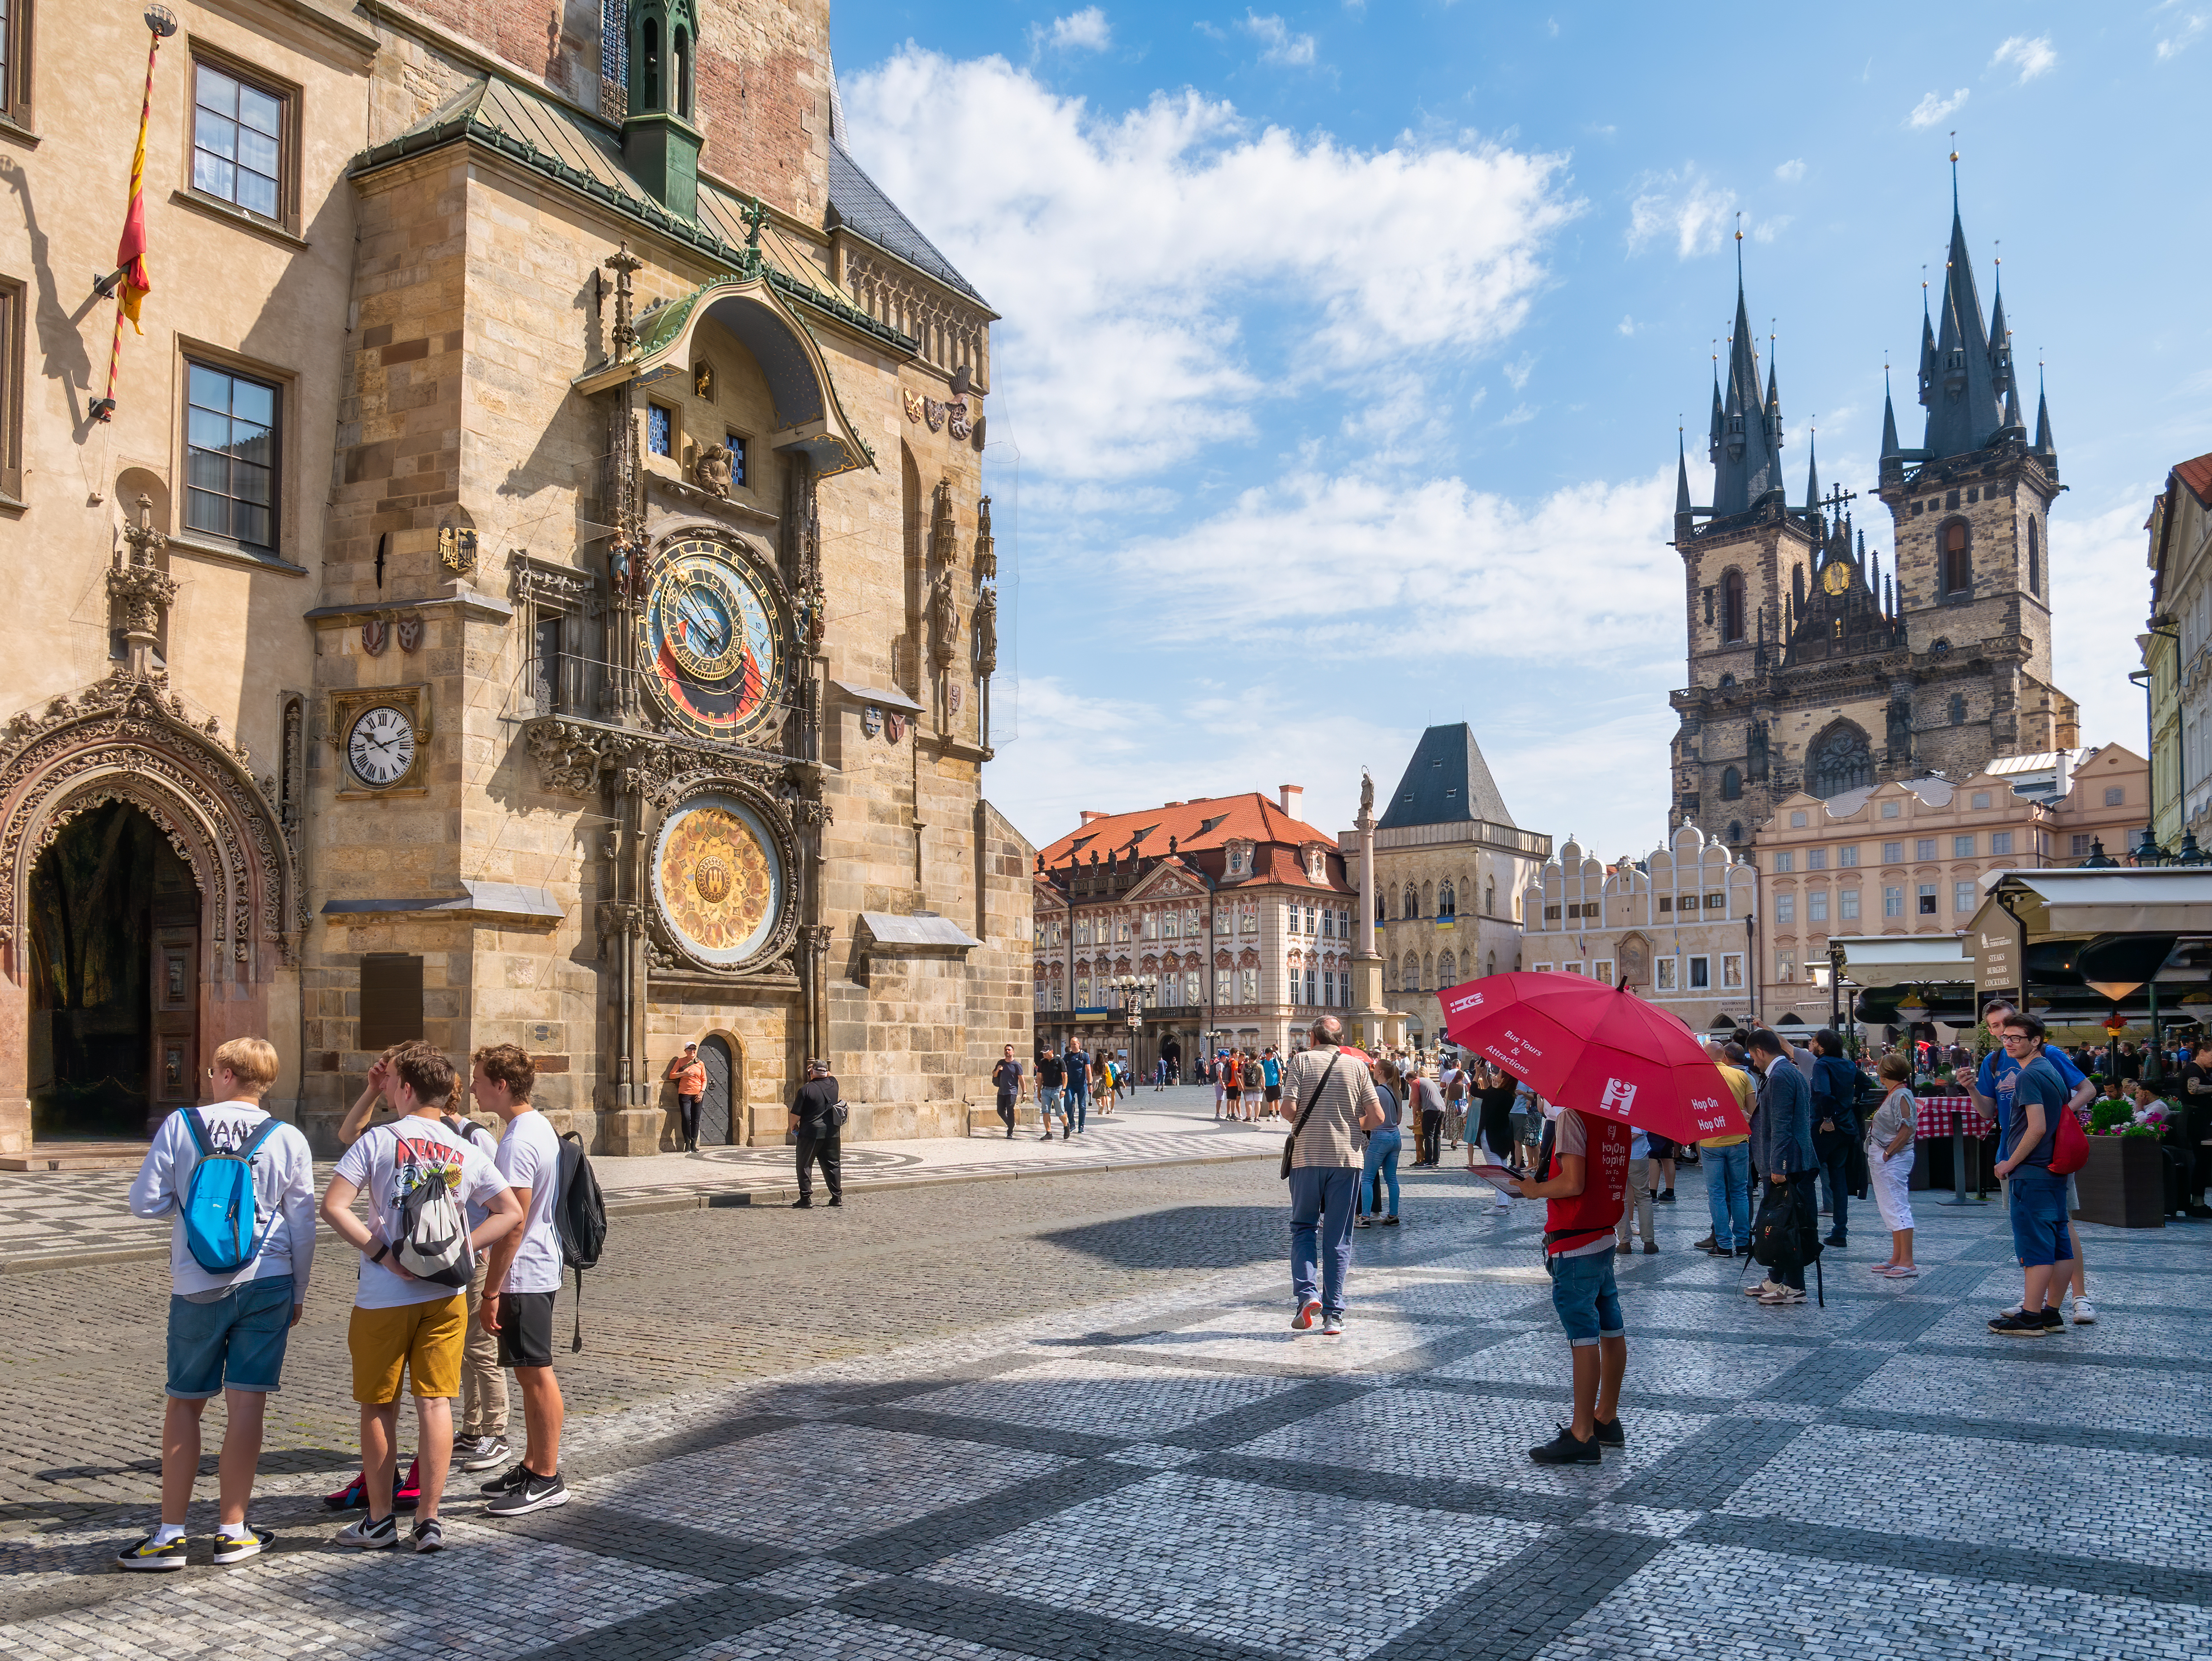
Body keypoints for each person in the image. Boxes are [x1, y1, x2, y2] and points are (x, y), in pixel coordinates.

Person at [117, 1038, 317, 1571]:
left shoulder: (182, 1125)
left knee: (185, 1402)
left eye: (212, 1071)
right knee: (246, 1404)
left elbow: (143, 1203)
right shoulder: (287, 1137)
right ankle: (233, 1530)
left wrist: (186, 1205)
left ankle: (170, 1534)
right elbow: (302, 1222)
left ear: (225, 1073)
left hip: (196, 1280)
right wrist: (298, 1291)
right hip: (269, 1279)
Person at [320, 1044, 523, 1553]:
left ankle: (380, 1519)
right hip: (446, 1293)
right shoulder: (465, 1147)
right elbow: (508, 1213)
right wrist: (462, 1248)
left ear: (407, 1089)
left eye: (392, 1084)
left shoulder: (380, 1142)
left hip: (384, 1293)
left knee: (378, 1405)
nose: (387, 1091)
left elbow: (333, 1206)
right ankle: (429, 1520)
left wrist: (382, 1251)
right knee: (436, 1403)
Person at [1501, 1074, 1632, 1464]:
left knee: (1583, 1335)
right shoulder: (1616, 1118)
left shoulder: (1575, 1116)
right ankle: (1606, 1417)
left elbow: (1574, 1183)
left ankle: (1581, 1433)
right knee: (1612, 1326)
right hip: (1604, 1233)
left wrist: (1534, 1189)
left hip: (1575, 1240)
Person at [472, 1044, 569, 1515]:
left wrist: (491, 1289)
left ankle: (547, 1476)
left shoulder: (515, 1140)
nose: (472, 1086)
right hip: (535, 1265)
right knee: (528, 1373)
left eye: (478, 1078)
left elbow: (513, 1223)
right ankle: (532, 1464)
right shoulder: (535, 1126)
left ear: (501, 1085)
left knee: (536, 1375)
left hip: (525, 1270)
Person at [1973, 998, 2097, 1323]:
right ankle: (2046, 1308)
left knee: (2042, 1235)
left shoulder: (2042, 1064)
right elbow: (1989, 1112)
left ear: (2033, 1036)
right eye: (2000, 1031)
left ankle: (2050, 1306)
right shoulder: (1997, 1062)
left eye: (2013, 1031)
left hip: (2032, 1161)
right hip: (2030, 1159)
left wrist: (2056, 1124)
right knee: (2054, 1235)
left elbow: (2051, 1116)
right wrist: (1972, 1088)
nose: (2007, 1037)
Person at [1284, 1015, 1385, 1336]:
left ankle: (1307, 1295)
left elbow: (1287, 1110)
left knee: (1303, 1228)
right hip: (1347, 1160)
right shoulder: (1357, 1067)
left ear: (1313, 1038)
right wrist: (1353, 1126)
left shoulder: (1300, 1062)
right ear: (1342, 1040)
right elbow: (1377, 1117)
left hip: (1307, 1157)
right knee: (1339, 1236)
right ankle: (1334, 1316)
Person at [1988, 1014, 2075, 1335]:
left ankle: (2030, 1317)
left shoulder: (2028, 1077)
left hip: (2032, 1172)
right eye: (2005, 1038)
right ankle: (2051, 1314)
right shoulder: (2052, 1072)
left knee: (2036, 1246)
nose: (2008, 1043)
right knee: (2059, 1245)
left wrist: (2010, 1163)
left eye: (2016, 1038)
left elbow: (2036, 1127)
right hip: (2054, 1170)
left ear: (2036, 1040)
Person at [1743, 1028, 1817, 1306]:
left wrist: (1779, 1166)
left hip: (1790, 1163)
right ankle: (1777, 1278)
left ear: (1760, 1051)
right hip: (1790, 1160)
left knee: (1789, 1225)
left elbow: (1782, 1126)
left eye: (1753, 1055)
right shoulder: (1786, 1071)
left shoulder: (1781, 1076)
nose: (1753, 1061)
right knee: (1779, 1222)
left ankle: (1795, 1286)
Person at [1697, 1041, 1756, 1259]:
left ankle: (1723, 1245)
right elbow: (1753, 1111)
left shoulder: (1697, 1078)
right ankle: (1743, 1244)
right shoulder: (1741, 1077)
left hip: (1711, 1143)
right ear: (1724, 1056)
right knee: (1740, 1192)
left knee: (1717, 1195)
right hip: (1739, 1141)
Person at [1866, 1051, 1919, 1279]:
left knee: (1897, 1206)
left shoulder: (1901, 1095)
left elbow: (1907, 1128)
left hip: (1893, 1159)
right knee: (1890, 1207)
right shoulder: (1897, 1093)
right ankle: (1897, 1257)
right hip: (1886, 1158)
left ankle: (1907, 1261)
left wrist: (1888, 1153)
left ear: (1886, 1073)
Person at [1808, 1029, 1858, 1248]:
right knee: (1839, 1181)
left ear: (1822, 1047)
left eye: (1814, 1041)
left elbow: (1824, 1094)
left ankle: (1806, 1228)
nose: (1811, 1044)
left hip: (1825, 1127)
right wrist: (1849, 1104)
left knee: (1807, 1177)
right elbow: (1865, 1084)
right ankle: (1840, 1231)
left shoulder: (1822, 1065)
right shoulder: (1848, 1064)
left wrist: (1828, 1118)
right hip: (1847, 1127)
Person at [1356, 1057, 1404, 1229]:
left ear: (1380, 1072)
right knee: (1392, 1179)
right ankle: (1393, 1215)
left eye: (1375, 1067)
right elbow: (1398, 1120)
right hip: (1395, 1138)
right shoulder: (1396, 1091)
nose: (1373, 1069)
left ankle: (1365, 1217)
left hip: (1380, 1138)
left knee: (1367, 1179)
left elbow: (1367, 1114)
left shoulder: (1377, 1091)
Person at [789, 1059, 843, 1206]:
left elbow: (795, 1115)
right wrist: (818, 1070)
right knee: (833, 1163)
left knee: (805, 1164)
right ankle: (836, 1197)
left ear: (812, 1072)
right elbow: (829, 1074)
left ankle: (806, 1199)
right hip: (832, 1132)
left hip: (811, 1133)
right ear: (826, 1072)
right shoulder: (834, 1084)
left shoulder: (806, 1090)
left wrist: (792, 1126)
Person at [2182, 1038, 2212, 1219]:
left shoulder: (2203, 1070)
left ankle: (2199, 1201)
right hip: (2195, 1120)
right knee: (2201, 1159)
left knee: (2204, 1160)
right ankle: (2197, 1203)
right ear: (2202, 1053)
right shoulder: (2193, 1069)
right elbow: (2193, 1089)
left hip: (2201, 1119)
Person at [1615, 1127, 1656, 1254]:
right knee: (1643, 1197)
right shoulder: (1641, 1106)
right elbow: (1639, 1131)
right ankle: (1649, 1242)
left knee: (1621, 1198)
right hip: (1638, 1155)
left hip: (1616, 1154)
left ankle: (1624, 1242)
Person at [664, 1042, 706, 1153]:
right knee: (686, 1118)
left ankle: (693, 1144)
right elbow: (672, 1075)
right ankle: (687, 1144)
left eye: (694, 1049)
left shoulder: (700, 1063)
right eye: (690, 1049)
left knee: (696, 1120)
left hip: (697, 1095)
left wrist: (702, 1092)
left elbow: (704, 1079)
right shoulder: (680, 1062)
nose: (692, 1051)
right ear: (686, 1051)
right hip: (685, 1094)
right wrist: (684, 1073)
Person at [1408, 1064, 1446, 1167]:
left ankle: (1428, 1160)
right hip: (1442, 1108)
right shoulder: (1430, 1081)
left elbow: (1416, 1101)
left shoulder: (1416, 1082)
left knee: (1428, 1135)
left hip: (1430, 1110)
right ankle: (1436, 1160)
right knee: (1437, 1136)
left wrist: (1416, 1118)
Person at [991, 1045, 1022, 1139]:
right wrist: (998, 1069)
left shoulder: (1017, 1065)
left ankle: (1010, 1132)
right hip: (1001, 1091)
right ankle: (1011, 1125)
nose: (1007, 1051)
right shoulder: (1001, 1063)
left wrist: (1024, 1092)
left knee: (1010, 1109)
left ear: (1013, 1052)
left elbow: (1021, 1078)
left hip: (1012, 1091)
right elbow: (994, 1075)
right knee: (1000, 1111)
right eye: (1006, 1050)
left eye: (1009, 1050)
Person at [1063, 1038, 1092, 1136]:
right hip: (1070, 1084)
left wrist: (1090, 1084)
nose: (1073, 1046)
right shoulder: (1067, 1056)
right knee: (1069, 1103)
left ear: (1079, 1044)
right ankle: (1072, 1123)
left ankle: (1081, 1126)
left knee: (1082, 1106)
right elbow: (1063, 1070)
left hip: (1082, 1084)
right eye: (1071, 1044)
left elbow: (1088, 1070)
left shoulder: (1084, 1055)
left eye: (1074, 1044)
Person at [1037, 1048, 1065, 1141]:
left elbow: (1065, 1076)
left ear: (1052, 1051)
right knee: (1046, 1112)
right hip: (1046, 1090)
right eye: (1043, 1053)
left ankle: (1066, 1125)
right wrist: (1039, 1091)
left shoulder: (1059, 1061)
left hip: (1057, 1089)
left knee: (1060, 1113)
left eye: (1046, 1053)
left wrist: (1064, 1089)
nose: (1044, 1055)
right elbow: (1039, 1077)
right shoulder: (1042, 1062)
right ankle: (1049, 1133)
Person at [1261, 1045, 1284, 1121]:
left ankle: (1278, 1114)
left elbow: (1280, 1071)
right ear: (1267, 1054)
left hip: (1275, 1083)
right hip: (1267, 1084)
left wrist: (1280, 1081)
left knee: (1277, 1099)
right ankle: (1270, 1114)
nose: (1272, 1054)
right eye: (1271, 1053)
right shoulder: (1263, 1062)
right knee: (1269, 1100)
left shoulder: (1275, 1061)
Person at [1223, 1049, 1243, 1121]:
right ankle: (1233, 1114)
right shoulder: (1235, 1062)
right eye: (1237, 1053)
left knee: (1229, 1100)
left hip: (1228, 1083)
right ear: (1234, 1054)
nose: (1238, 1055)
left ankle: (1228, 1114)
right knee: (1233, 1100)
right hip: (1234, 1083)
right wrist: (1240, 1084)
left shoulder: (1228, 1061)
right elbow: (1235, 1074)